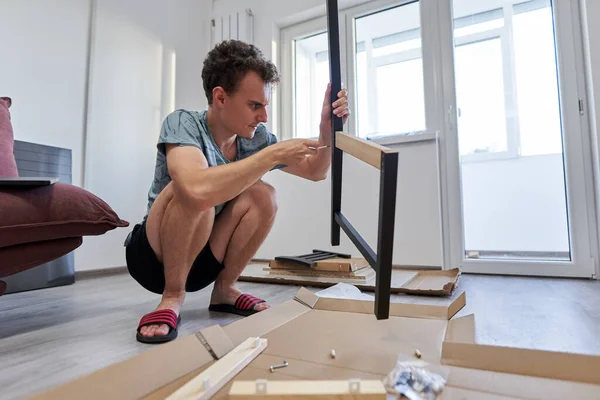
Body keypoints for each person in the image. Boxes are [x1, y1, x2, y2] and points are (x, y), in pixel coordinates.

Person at [124, 39, 350, 344]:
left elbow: (316, 171)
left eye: (264, 106)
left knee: (264, 195)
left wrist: (327, 130)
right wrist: (271, 155)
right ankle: (172, 296)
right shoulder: (183, 123)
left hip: (202, 259)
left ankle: (224, 290)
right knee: (197, 190)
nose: (263, 117)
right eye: (254, 106)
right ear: (220, 97)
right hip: (154, 258)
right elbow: (195, 188)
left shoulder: (257, 139)